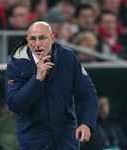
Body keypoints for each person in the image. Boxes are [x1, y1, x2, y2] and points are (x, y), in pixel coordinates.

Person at [5, 21, 99, 150]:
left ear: (52, 38)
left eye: (42, 38)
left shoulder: (68, 58)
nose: (37, 43)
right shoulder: (15, 65)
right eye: (33, 39)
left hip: (66, 140)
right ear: (27, 40)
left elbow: (89, 94)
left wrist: (87, 123)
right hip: (34, 142)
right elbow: (15, 104)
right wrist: (37, 79)